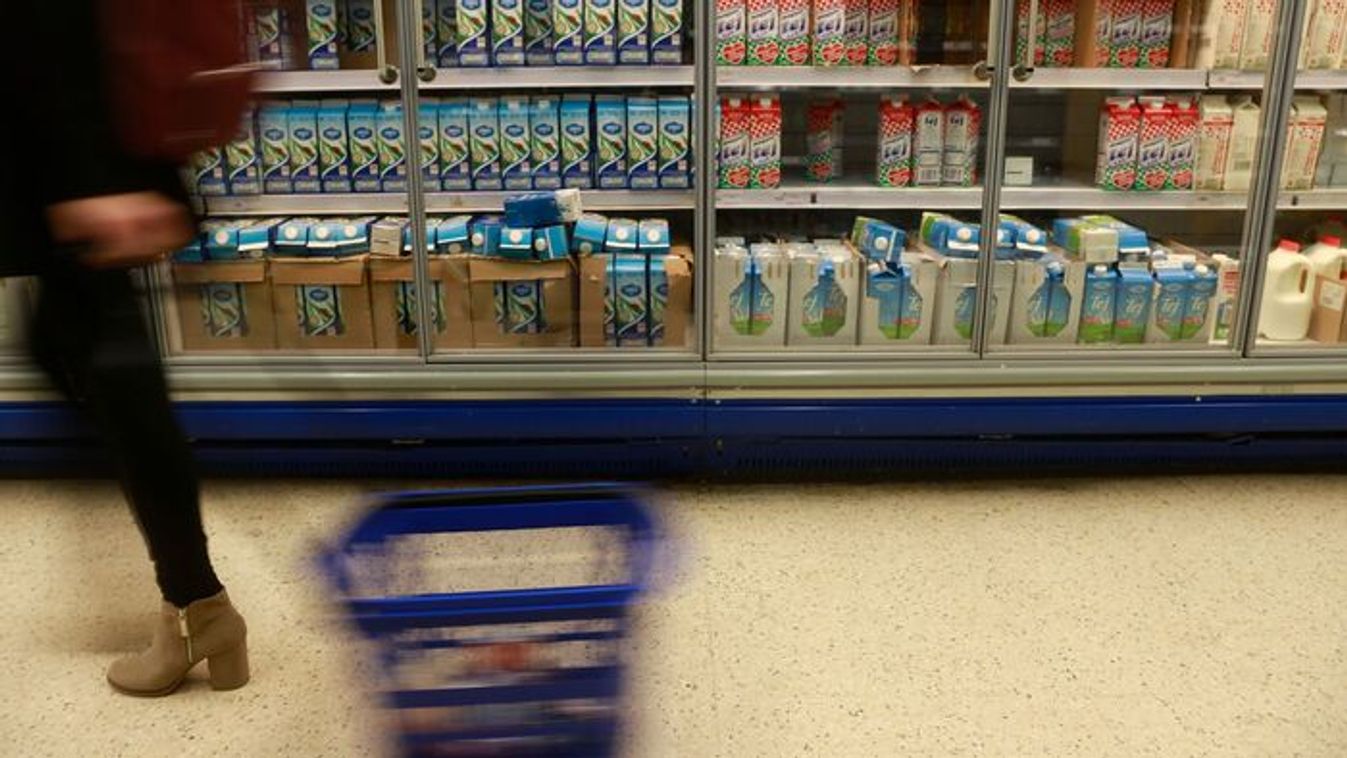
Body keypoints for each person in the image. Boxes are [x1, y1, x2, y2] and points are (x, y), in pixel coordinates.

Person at [1, 3, 249, 695]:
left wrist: (88, 180)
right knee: (82, 357)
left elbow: (55, 25)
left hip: (75, 162)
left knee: (107, 367)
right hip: (69, 153)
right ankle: (196, 602)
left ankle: (197, 606)